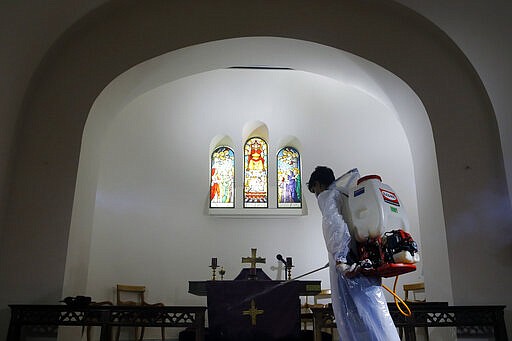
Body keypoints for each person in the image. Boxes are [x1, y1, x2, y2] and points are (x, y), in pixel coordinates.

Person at [308, 166, 400, 341]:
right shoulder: (347, 194)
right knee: (376, 316)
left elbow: (335, 226)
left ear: (318, 184)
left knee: (352, 318)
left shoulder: (328, 196)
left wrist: (340, 258)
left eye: (314, 190)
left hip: (349, 268)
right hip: (364, 262)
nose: (316, 195)